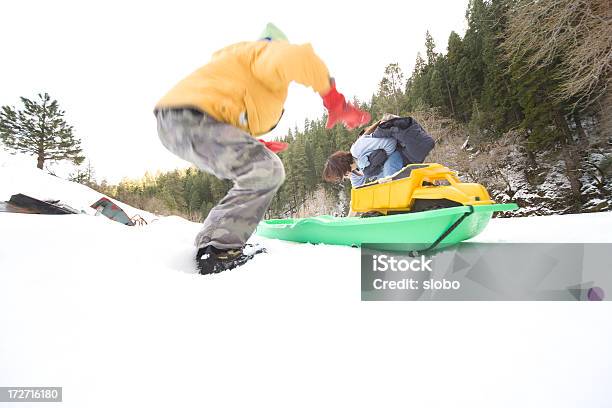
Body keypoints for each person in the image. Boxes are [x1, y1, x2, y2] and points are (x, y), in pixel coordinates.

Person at [154, 23, 371, 274]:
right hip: (191, 118)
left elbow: (230, 107)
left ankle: (213, 245)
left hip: (176, 124)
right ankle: (219, 250)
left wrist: (253, 143)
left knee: (261, 168)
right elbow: (296, 57)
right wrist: (335, 101)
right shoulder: (263, 53)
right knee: (267, 170)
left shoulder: (241, 71)